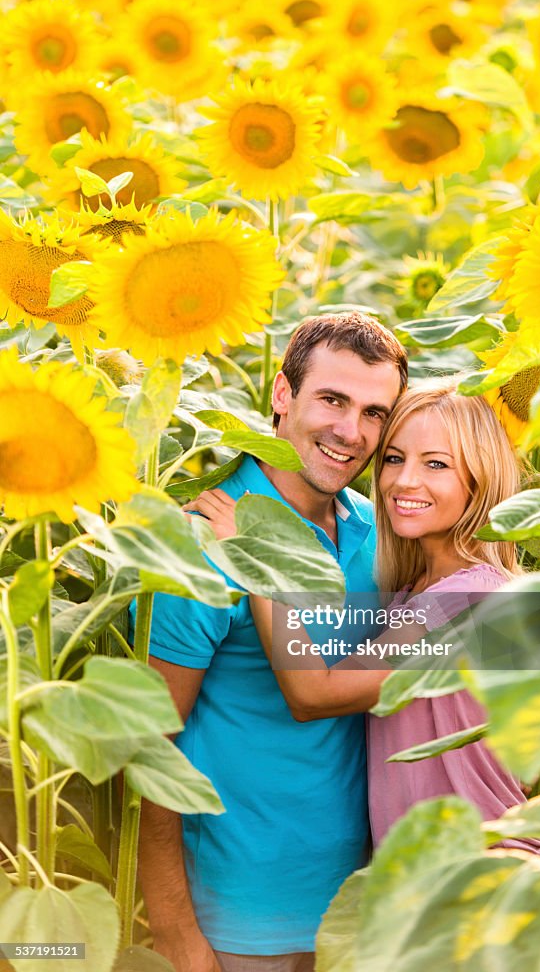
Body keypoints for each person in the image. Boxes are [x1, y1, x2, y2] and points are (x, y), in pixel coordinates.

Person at [138, 312, 408, 972]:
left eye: (375, 412)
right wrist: (175, 931)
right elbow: (151, 746)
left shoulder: (381, 532)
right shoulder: (202, 542)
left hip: (354, 907)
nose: (352, 432)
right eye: (333, 400)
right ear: (282, 395)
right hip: (237, 914)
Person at [200, 380, 540, 855]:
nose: (405, 480)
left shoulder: (467, 599)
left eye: (436, 464)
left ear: (480, 478)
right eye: (393, 458)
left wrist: (256, 558)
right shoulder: (416, 595)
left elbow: (313, 693)